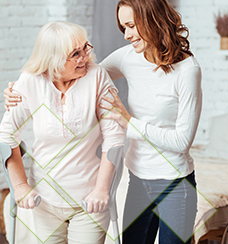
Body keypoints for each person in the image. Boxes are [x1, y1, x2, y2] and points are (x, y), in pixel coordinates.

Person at [4, 0, 202, 243]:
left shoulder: (187, 70)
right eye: (123, 27)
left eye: (131, 25)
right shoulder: (127, 57)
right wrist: (21, 88)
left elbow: (182, 141)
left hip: (174, 181)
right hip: (138, 178)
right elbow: (88, 74)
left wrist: (129, 122)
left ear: (152, 20)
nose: (127, 35)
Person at [0, 21, 125, 244]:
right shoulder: (31, 81)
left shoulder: (97, 77)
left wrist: (101, 190)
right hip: (44, 200)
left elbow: (114, 139)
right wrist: (19, 186)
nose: (84, 57)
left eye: (85, 48)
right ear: (53, 59)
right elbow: (7, 135)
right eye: (75, 54)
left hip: (89, 200)